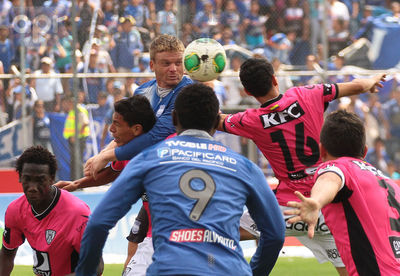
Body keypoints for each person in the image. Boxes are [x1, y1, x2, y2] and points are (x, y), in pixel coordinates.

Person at [75, 83, 285, 276]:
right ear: (216, 121)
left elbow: (99, 223)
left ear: (174, 118)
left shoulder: (148, 159)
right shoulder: (246, 167)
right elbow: (274, 234)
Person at [218, 57, 386, 275]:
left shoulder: (250, 120)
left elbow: (214, 120)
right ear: (274, 79)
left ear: (248, 92)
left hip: (286, 207)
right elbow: (357, 86)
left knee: (219, 231)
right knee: (348, 269)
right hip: (325, 200)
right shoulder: (308, 93)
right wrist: (371, 81)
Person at [285, 110, 400, 275]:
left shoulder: (337, 167)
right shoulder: (389, 182)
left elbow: (330, 179)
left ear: (322, 150)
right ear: (365, 151)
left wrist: (316, 201)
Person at [86, 34, 193, 179]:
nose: (173, 69)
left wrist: (106, 157)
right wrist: (102, 154)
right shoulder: (142, 91)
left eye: (178, 63)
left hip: (181, 174)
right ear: (152, 65)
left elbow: (155, 135)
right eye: (166, 64)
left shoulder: (189, 92)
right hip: (151, 173)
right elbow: (129, 132)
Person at [0, 145, 103, 276]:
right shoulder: (15, 210)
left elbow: (97, 266)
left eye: (40, 180)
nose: (32, 187)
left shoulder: (77, 213)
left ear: (51, 178)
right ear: (20, 177)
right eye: (27, 179)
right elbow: (7, 254)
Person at [62, 95, 90, 180]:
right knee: (75, 161)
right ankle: (74, 180)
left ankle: (79, 180)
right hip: (74, 139)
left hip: (78, 139)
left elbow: (85, 123)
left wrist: (76, 136)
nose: (68, 104)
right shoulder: (73, 111)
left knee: (77, 161)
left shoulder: (79, 110)